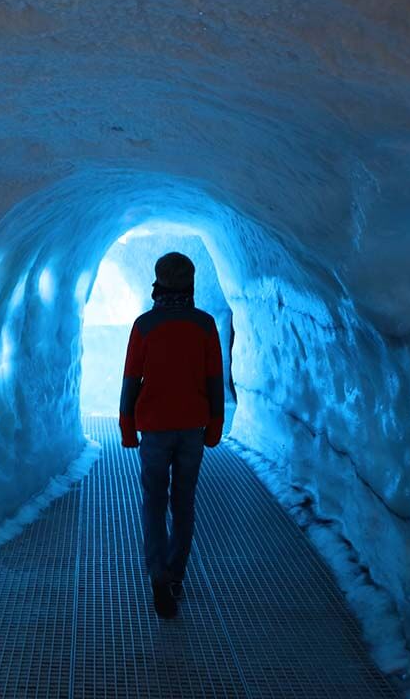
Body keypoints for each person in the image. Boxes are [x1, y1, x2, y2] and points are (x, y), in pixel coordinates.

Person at [118, 251, 235, 619]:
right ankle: (176, 575)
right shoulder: (204, 325)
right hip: (191, 427)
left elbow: (131, 380)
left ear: (158, 283)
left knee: (154, 501)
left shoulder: (144, 325)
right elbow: (214, 378)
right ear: (191, 283)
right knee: (184, 502)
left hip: (154, 427)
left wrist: (126, 424)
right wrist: (215, 423)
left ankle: (157, 573)